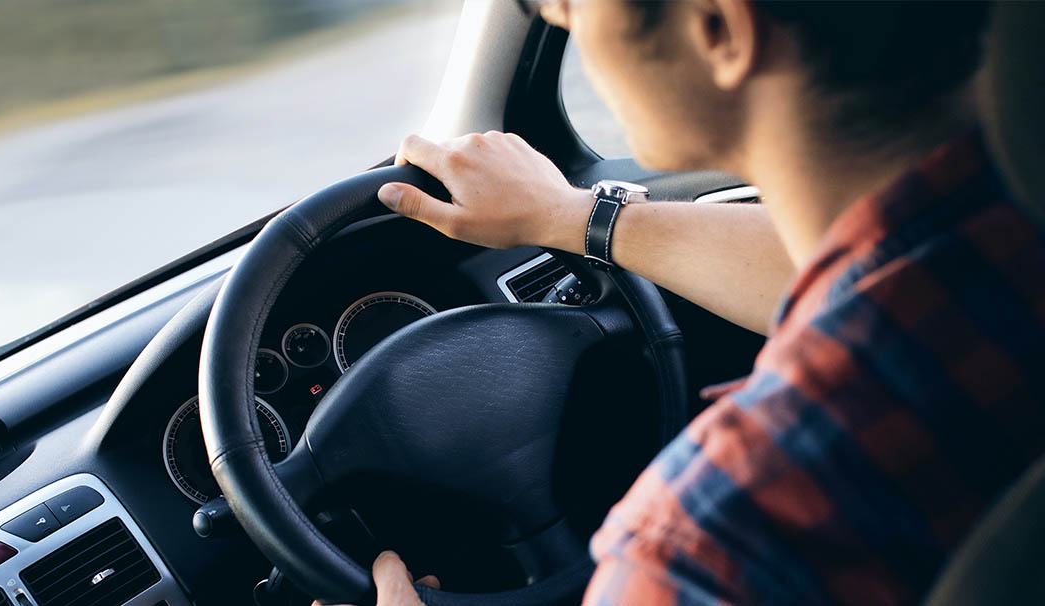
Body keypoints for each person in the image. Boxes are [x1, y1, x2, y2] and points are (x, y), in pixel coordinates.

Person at [355, 0, 1045, 604]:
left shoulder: (709, 552)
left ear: (720, 27)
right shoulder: (1004, 235)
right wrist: (570, 216)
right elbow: (860, 263)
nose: (560, 14)